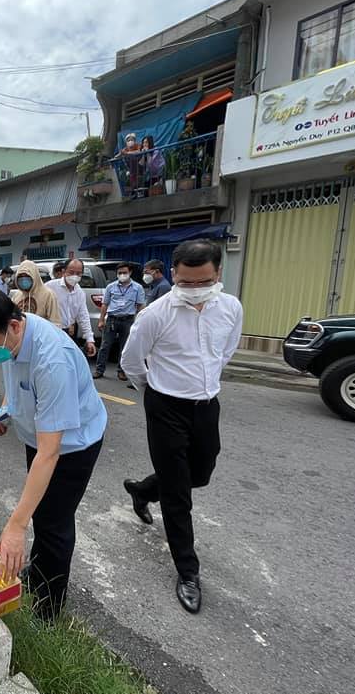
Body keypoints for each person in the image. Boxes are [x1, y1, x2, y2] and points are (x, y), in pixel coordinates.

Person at [0, 289, 107, 621]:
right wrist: (3, 413)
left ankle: (49, 611)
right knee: (41, 511)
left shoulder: (52, 358)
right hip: (40, 439)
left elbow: (50, 453)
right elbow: (18, 385)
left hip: (72, 447)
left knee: (53, 524)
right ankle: (38, 574)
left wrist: (15, 526)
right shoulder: (12, 340)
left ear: (14, 325)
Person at [120, 240, 243, 614]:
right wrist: (154, 393)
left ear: (218, 274)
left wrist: (201, 383)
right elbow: (130, 360)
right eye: (185, 282)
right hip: (165, 406)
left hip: (206, 405)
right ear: (174, 274)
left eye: (202, 281)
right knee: (178, 494)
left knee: (200, 473)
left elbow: (226, 351)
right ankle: (188, 572)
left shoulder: (231, 308)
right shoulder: (157, 314)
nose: (194, 289)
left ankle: (142, 490)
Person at [94, 263, 145, 380]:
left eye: (124, 272)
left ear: (130, 272)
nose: (122, 275)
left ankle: (121, 371)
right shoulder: (110, 287)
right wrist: (101, 320)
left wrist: (139, 322)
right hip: (112, 319)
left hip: (128, 320)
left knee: (125, 347)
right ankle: (99, 370)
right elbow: (105, 304)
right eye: (119, 273)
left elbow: (140, 306)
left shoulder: (137, 288)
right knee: (105, 346)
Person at [45, 259, 96, 356]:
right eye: (71, 272)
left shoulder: (79, 293)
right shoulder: (50, 287)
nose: (75, 276)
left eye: (78, 273)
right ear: (64, 272)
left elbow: (83, 316)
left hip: (69, 333)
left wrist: (90, 340)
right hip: (51, 333)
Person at [9, 260, 62, 327]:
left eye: (27, 276)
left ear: (34, 276)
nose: (23, 279)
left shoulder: (48, 295)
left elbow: (55, 322)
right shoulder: (17, 296)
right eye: (20, 276)